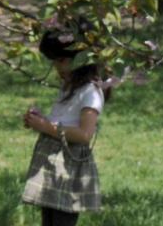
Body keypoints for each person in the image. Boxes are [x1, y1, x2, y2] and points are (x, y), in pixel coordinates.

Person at [21, 23, 110, 226]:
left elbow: (84, 134)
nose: (57, 66)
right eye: (55, 61)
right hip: (52, 161)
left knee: (62, 220)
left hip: (68, 165)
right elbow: (64, 121)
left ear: (82, 60)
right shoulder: (69, 86)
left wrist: (45, 126)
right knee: (49, 220)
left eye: (61, 60)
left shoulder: (91, 91)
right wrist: (40, 120)